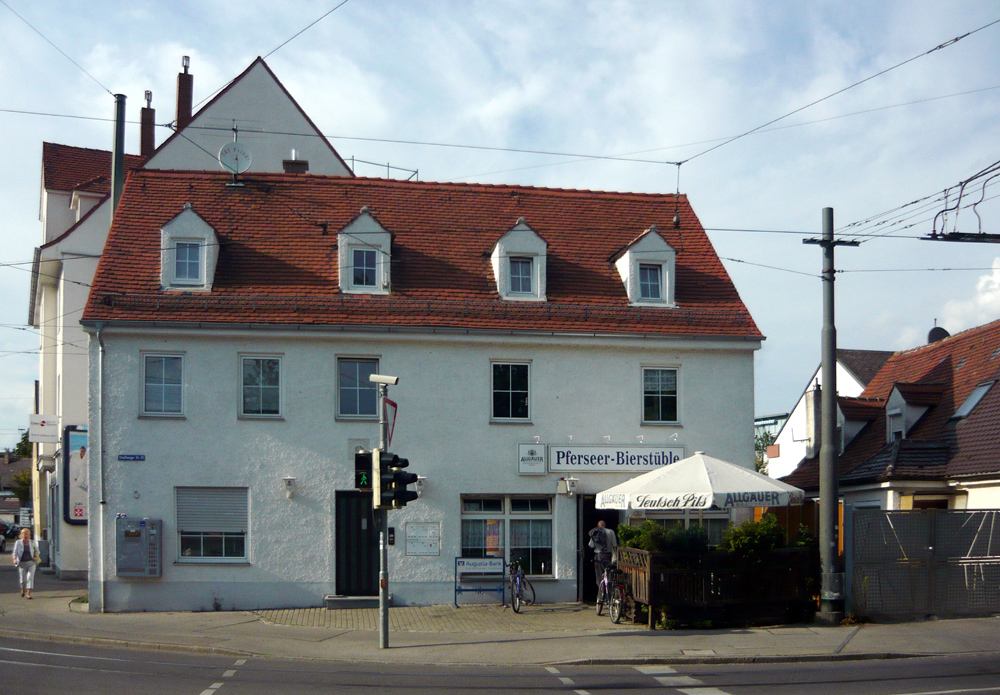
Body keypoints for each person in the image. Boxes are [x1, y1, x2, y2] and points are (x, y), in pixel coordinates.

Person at [589, 519, 617, 588]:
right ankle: (609, 589)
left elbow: (591, 545)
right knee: (608, 572)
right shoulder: (611, 531)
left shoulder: (595, 532)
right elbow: (615, 545)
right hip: (608, 555)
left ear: (598, 526)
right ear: (605, 525)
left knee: (599, 574)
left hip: (599, 556)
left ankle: (601, 590)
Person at [12, 527, 39, 599]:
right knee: (23, 580)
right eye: (24, 534)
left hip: (31, 563)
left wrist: (36, 556)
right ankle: (23, 589)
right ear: (21, 535)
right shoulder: (18, 543)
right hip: (22, 563)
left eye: (27, 534)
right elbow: (15, 552)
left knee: (30, 578)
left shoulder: (32, 542)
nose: (26, 536)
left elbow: (37, 551)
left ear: (29, 535)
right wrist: (15, 559)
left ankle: (28, 593)